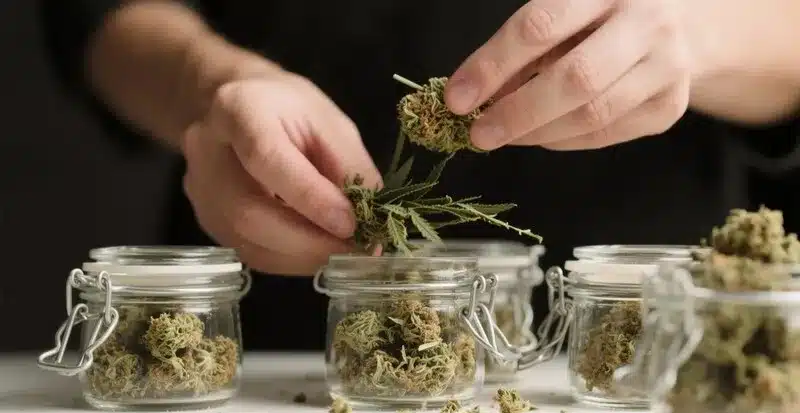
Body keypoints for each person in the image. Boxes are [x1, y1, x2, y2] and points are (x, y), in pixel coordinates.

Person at [40, 0, 800, 350]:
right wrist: (205, 86)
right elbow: (92, 14)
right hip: (282, 349)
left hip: (645, 338)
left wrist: (700, 31)